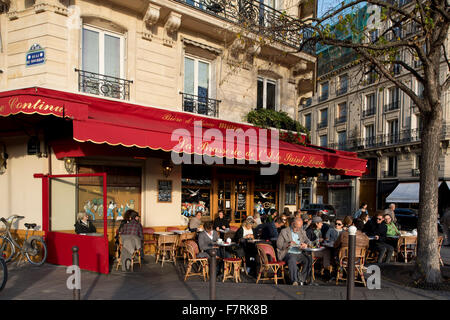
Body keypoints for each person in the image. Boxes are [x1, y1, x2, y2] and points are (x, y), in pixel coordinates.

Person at [276, 217, 312, 286]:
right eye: (296, 227)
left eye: (299, 227)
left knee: (308, 259)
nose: (298, 229)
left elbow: (308, 241)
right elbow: (279, 245)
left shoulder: (301, 231)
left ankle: (302, 279)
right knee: (292, 258)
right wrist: (288, 244)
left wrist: (306, 244)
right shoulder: (284, 231)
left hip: (299, 252)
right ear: (292, 224)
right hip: (288, 253)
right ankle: (294, 280)